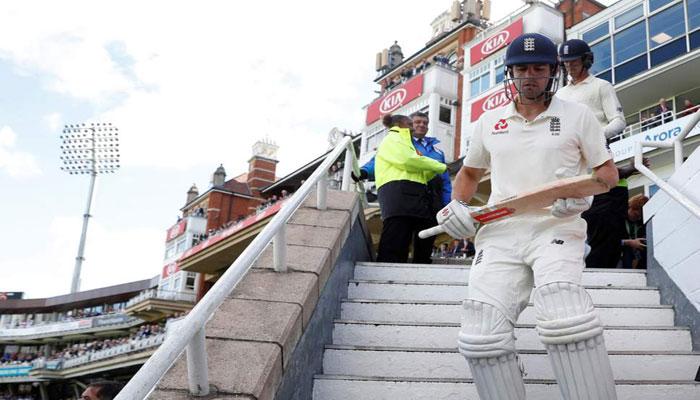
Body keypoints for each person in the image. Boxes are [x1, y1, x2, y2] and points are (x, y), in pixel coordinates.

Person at [436, 33, 619, 400]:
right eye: (521, 69)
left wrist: (579, 195)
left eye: (538, 68)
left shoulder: (578, 115)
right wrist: (458, 206)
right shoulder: (489, 121)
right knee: (482, 331)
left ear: (553, 72)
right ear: (510, 73)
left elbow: (607, 174)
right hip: (499, 231)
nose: (529, 76)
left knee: (565, 313)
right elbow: (470, 173)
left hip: (557, 225)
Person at [354, 112, 452, 263]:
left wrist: (447, 204)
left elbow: (445, 180)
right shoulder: (400, 140)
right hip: (408, 191)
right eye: (417, 122)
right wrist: (364, 172)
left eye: (425, 123)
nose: (421, 125)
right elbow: (380, 160)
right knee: (401, 230)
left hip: (431, 195)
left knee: (426, 233)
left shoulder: (437, 151)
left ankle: (422, 264)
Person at [621, 194, 649, 269]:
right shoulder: (617, 220)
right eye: (636, 215)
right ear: (629, 207)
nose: (638, 218)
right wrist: (629, 242)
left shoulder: (640, 224)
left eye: (641, 217)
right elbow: (608, 242)